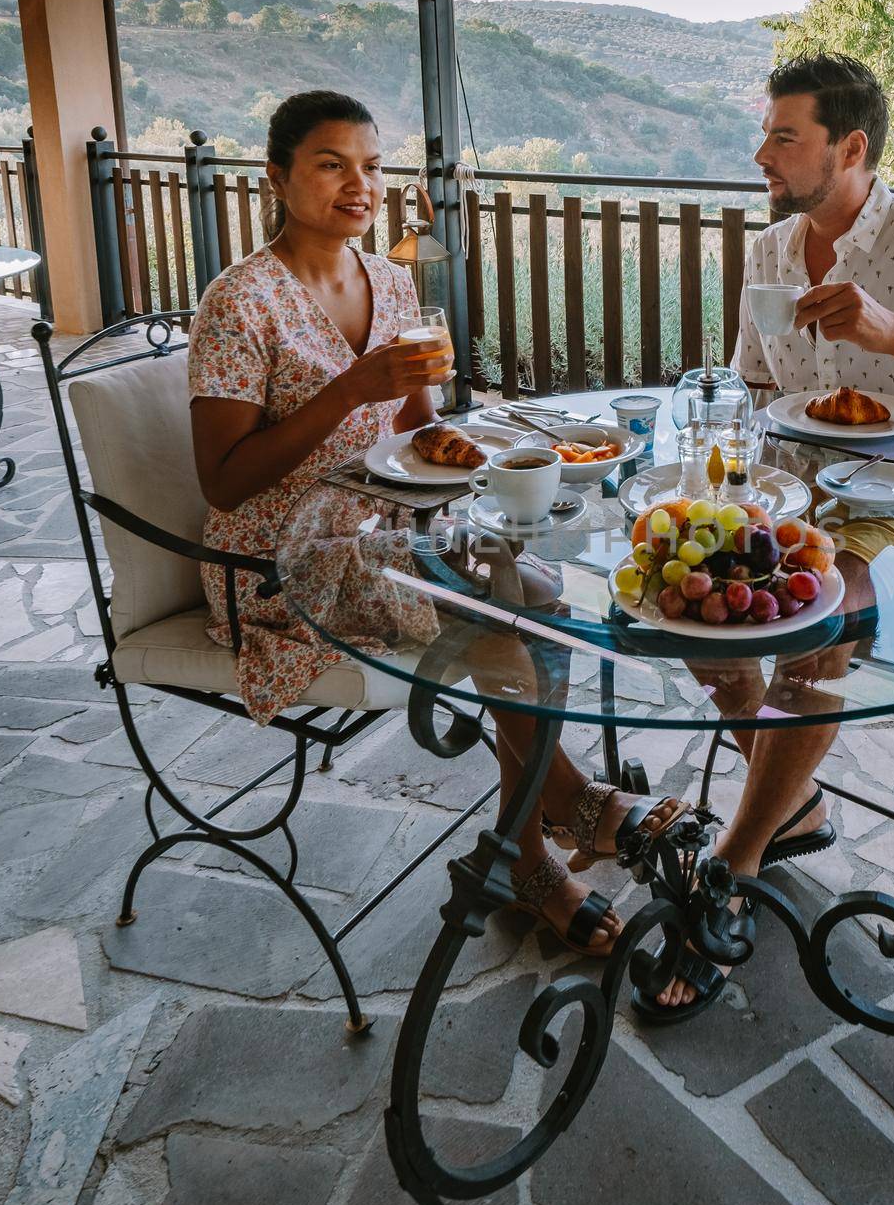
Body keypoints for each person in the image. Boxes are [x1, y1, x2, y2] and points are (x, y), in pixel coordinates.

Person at [188, 90, 684, 960]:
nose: (359, 183)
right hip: (280, 556)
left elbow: (421, 437)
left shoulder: (391, 279)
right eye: (331, 164)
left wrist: (458, 427)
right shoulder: (240, 300)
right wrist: (351, 392)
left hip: (390, 527)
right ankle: (548, 832)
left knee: (535, 588)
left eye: (372, 166)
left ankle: (533, 834)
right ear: (277, 175)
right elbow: (224, 484)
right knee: (510, 609)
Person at [645, 53, 894, 1015]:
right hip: (790, 492)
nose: (763, 154)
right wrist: (722, 479)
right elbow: (751, 384)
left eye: (784, 136)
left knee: (824, 613)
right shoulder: (775, 251)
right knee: (689, 588)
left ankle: (733, 868)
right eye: (768, 134)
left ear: (851, 147)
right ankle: (796, 803)